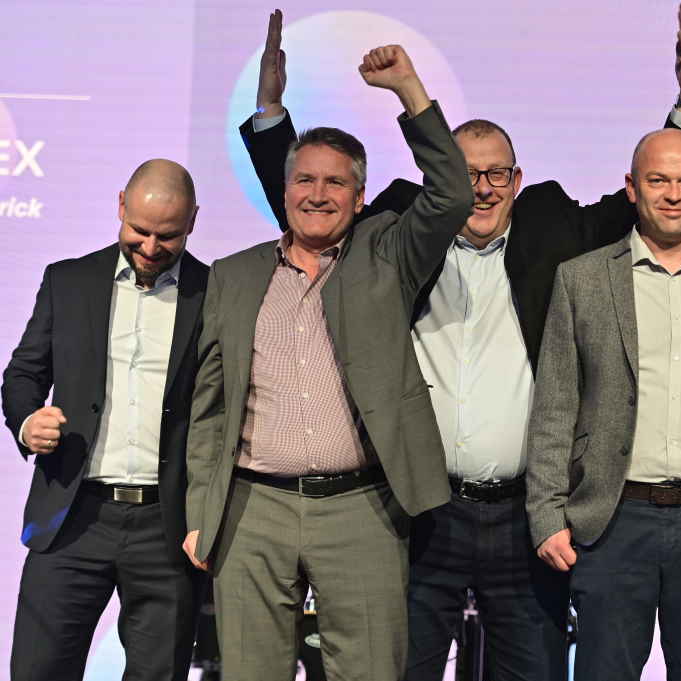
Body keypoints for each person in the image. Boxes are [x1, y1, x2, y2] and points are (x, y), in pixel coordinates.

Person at [237, 5, 681, 680]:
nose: (482, 189)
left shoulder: (552, 227)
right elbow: (315, 211)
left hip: (524, 516)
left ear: (517, 181)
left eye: (496, 174)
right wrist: (270, 114)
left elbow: (647, 200)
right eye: (467, 174)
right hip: (424, 511)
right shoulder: (399, 231)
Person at [181, 44, 473, 681]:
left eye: (335, 182)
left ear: (360, 197)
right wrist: (202, 511)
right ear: (284, 190)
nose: (318, 195)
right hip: (252, 509)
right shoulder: (234, 275)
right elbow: (210, 409)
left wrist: (408, 89)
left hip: (361, 508)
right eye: (305, 180)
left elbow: (453, 196)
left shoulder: (386, 255)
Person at [527, 126, 681, 681]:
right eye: (658, 180)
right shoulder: (582, 279)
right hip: (611, 521)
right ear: (632, 187)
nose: (674, 194)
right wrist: (546, 516)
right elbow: (554, 406)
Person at [2, 160, 207, 681]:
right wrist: (27, 422)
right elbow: (23, 374)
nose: (150, 247)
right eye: (139, 230)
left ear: (193, 221)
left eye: (168, 236)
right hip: (71, 517)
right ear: (120, 206)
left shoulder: (215, 292)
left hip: (168, 526)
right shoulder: (67, 281)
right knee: (39, 670)